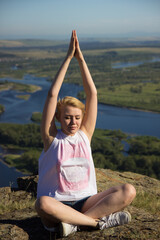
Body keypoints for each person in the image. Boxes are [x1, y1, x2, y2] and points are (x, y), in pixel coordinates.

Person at [35, 30, 136, 237]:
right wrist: (67, 58)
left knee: (128, 191)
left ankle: (75, 225)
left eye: (77, 117)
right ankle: (95, 223)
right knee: (42, 203)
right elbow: (52, 94)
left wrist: (80, 58)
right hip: (57, 204)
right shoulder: (51, 139)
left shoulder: (84, 135)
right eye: (67, 117)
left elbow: (93, 94)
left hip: (86, 201)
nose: (73, 122)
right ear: (58, 118)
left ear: (82, 118)